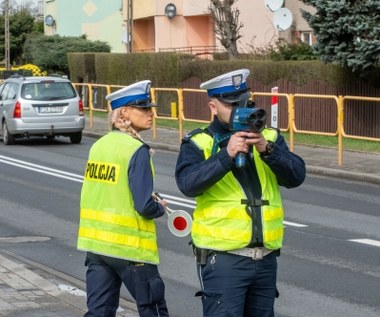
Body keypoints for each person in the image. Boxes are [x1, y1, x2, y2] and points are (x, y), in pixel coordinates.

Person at [175, 69, 306, 317]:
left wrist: (268, 150)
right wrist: (226, 155)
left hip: (265, 258)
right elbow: (187, 184)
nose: (240, 108)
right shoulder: (199, 141)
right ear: (213, 106)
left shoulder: (268, 137)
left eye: (245, 101)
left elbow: (296, 176)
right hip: (223, 259)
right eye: (232, 104)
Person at [77, 80, 169, 317]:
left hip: (97, 248)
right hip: (130, 251)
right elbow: (144, 206)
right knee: (154, 312)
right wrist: (159, 207)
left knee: (99, 313)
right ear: (124, 113)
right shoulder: (136, 149)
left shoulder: (98, 145)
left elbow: (108, 190)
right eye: (144, 108)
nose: (151, 113)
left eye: (150, 108)